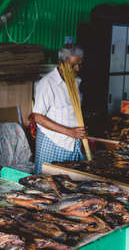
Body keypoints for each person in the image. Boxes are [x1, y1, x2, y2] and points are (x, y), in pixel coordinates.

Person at [32, 45, 86, 174]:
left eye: (80, 64)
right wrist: (69, 131)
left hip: (73, 142)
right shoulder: (47, 84)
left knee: (69, 183)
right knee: (48, 183)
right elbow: (38, 117)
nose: (77, 69)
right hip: (53, 142)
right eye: (73, 65)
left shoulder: (75, 81)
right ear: (60, 63)